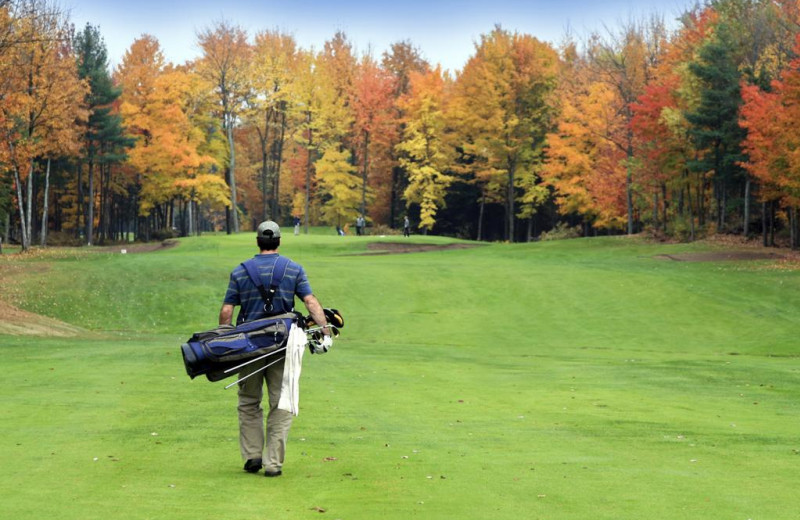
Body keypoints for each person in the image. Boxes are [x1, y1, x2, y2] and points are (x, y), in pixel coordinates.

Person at [219, 220, 332, 478]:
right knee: (282, 402)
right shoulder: (293, 268)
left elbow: (227, 310)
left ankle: (252, 456)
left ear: (258, 241)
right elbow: (310, 302)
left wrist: (224, 343)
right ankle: (273, 463)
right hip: (283, 347)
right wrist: (324, 332)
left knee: (248, 401)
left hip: (248, 345)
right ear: (279, 241)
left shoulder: (240, 271)